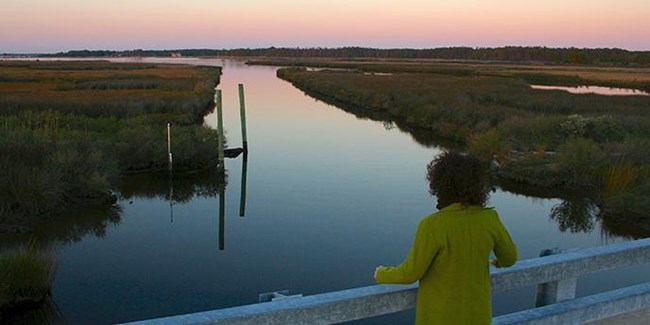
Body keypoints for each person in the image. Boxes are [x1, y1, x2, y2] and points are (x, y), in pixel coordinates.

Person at [374, 151, 517, 325]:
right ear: (477, 185)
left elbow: (410, 273)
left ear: (440, 185)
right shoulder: (490, 219)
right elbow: (510, 258)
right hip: (477, 317)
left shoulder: (432, 225)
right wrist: (495, 263)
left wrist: (382, 274)